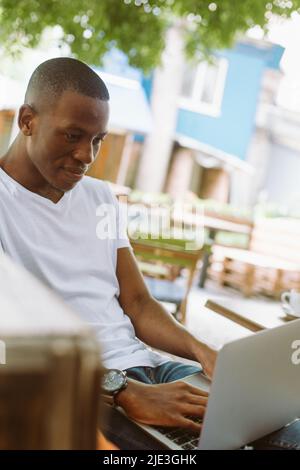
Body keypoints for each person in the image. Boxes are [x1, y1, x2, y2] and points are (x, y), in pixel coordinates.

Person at [0, 57, 217, 449]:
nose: (87, 155)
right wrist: (121, 391)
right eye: (73, 136)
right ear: (27, 120)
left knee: (274, 424)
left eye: (98, 139)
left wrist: (200, 350)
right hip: (82, 392)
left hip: (152, 371)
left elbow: (137, 303)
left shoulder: (101, 199)